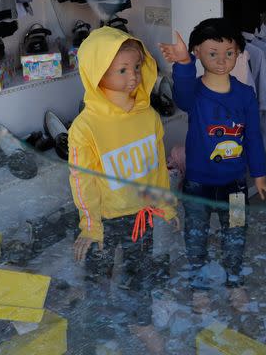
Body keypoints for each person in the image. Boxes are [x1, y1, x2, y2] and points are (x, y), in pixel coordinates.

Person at [68, 26, 178, 353]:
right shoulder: (85, 127)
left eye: (136, 67)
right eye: (122, 70)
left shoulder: (148, 117)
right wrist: (90, 225)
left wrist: (167, 206)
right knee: (98, 277)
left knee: (139, 274)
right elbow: (81, 179)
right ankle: (99, 324)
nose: (133, 77)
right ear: (97, 73)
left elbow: (157, 167)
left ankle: (140, 320)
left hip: (141, 216)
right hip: (105, 219)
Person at [159, 18, 266, 311]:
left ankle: (235, 282)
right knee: (196, 237)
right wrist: (183, 62)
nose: (222, 61)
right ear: (198, 51)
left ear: (238, 53)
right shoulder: (195, 94)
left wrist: (259, 177)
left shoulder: (245, 94)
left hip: (235, 186)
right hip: (197, 185)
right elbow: (181, 94)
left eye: (229, 53)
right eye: (213, 53)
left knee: (235, 236)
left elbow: (252, 139)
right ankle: (199, 288)